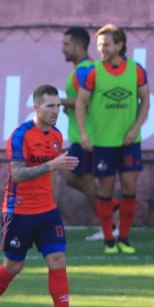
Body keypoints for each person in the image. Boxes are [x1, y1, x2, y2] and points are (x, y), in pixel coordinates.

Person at [0, 84, 95, 307]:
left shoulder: (56, 136)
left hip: (47, 211)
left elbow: (50, 175)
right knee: (14, 265)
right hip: (19, 211)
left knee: (57, 259)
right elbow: (18, 174)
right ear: (36, 107)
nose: (56, 111)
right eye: (50, 106)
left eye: (59, 106)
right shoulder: (20, 135)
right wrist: (53, 164)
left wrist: (53, 201)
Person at [75, 24, 150, 254]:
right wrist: (84, 134)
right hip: (103, 142)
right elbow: (81, 103)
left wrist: (135, 128)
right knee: (105, 190)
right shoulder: (94, 71)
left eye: (106, 44)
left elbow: (145, 101)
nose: (102, 49)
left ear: (119, 45)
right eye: (99, 45)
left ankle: (124, 239)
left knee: (129, 187)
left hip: (129, 142)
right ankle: (109, 240)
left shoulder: (136, 70)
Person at [56, 27, 101, 232]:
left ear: (78, 45)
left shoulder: (85, 70)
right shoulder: (79, 70)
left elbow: (89, 101)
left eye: (66, 45)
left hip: (87, 135)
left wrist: (59, 101)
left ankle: (110, 223)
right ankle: (110, 215)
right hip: (80, 135)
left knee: (83, 180)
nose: (62, 49)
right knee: (72, 176)